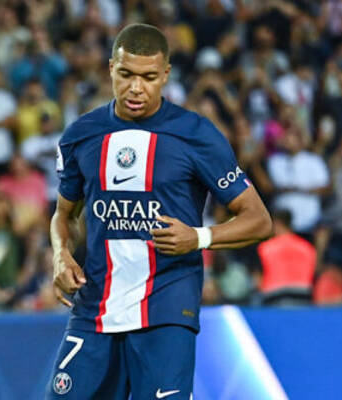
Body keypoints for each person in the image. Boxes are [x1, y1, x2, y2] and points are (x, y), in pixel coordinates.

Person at [47, 23, 272, 400]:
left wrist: (198, 238)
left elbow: (258, 219)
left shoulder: (196, 134)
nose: (136, 88)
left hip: (165, 310)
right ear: (111, 69)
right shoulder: (81, 135)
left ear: (165, 74)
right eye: (126, 74)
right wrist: (60, 255)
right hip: (95, 308)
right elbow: (64, 215)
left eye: (149, 77)